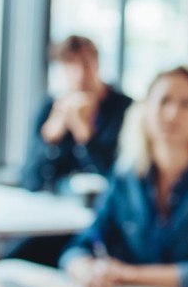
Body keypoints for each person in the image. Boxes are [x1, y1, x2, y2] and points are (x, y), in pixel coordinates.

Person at [60, 62, 188, 287]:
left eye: (186, 104)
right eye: (164, 101)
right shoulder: (125, 176)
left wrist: (129, 275)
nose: (172, 114)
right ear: (146, 110)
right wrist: (83, 269)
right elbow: (82, 245)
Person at [20, 35, 134, 193]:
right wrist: (50, 140)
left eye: (86, 64)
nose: (79, 73)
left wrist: (85, 136)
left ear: (98, 64)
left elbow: (123, 179)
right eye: (71, 65)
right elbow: (29, 180)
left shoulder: (125, 109)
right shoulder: (49, 108)